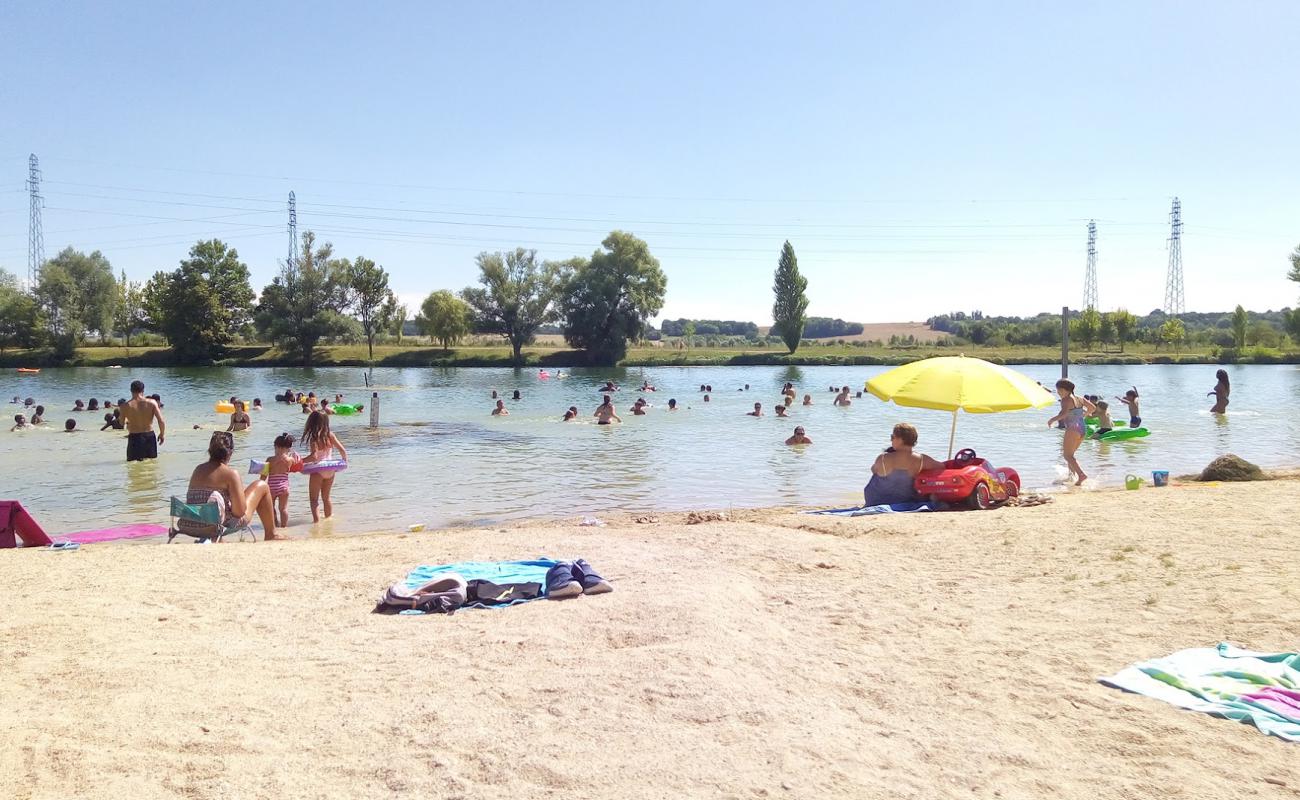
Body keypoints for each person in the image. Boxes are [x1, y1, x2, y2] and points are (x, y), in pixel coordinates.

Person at [184, 431, 279, 540]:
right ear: (230, 453)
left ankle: (220, 540)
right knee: (262, 485)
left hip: (192, 523)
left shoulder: (198, 470)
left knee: (218, 504)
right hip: (217, 525)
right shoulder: (231, 474)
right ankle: (271, 534)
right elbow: (239, 512)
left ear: (210, 451)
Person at [863, 423, 942, 506]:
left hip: (879, 500)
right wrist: (922, 473)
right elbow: (941, 467)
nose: (891, 440)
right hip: (905, 499)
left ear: (900, 440)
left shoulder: (883, 458)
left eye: (892, 437)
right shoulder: (922, 459)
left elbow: (873, 470)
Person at [1046, 379, 1096, 486]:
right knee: (1071, 455)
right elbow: (1092, 408)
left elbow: (1064, 414)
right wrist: (1085, 414)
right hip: (1082, 428)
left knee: (1067, 456)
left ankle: (1081, 475)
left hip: (1073, 428)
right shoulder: (1079, 398)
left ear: (1064, 389)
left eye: (1058, 390)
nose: (1058, 392)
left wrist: (1052, 420)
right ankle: (1071, 477)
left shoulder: (1066, 400)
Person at [301, 411, 347, 523]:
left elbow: (314, 457)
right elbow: (342, 450)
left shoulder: (314, 437)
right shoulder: (330, 435)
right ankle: (328, 520)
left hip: (318, 470)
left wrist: (301, 461)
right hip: (330, 469)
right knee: (326, 498)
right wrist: (344, 461)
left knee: (314, 500)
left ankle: (316, 522)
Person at [122, 380, 166, 462]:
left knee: (133, 465)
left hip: (134, 437)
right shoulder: (152, 402)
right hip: (149, 436)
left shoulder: (125, 406)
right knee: (151, 463)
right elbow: (161, 421)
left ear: (131, 390)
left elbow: (121, 422)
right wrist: (162, 434)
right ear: (143, 390)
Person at [265, 432, 300, 528]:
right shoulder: (290, 460)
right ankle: (284, 527)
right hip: (284, 487)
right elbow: (297, 466)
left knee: (271, 508)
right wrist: (294, 456)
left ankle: (275, 524)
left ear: (276, 446)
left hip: (271, 487)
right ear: (288, 448)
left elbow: (263, 476)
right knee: (283, 509)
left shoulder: (269, 460)